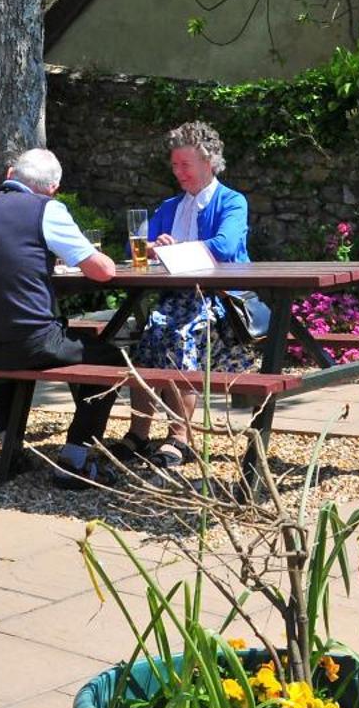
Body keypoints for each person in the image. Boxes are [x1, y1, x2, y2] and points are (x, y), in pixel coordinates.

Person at [0, 148, 120, 487]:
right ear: (53, 187)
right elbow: (103, 272)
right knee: (109, 360)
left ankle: (10, 448)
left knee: (15, 341)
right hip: (27, 343)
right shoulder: (47, 209)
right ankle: (74, 461)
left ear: (11, 174)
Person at [112, 120, 268, 471]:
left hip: (221, 303)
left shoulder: (231, 201)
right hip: (175, 301)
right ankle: (139, 433)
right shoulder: (170, 206)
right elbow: (132, 245)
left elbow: (225, 248)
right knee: (146, 338)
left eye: (185, 165)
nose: (178, 172)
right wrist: (151, 247)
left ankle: (180, 435)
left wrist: (179, 247)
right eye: (175, 165)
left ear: (208, 162)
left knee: (176, 334)